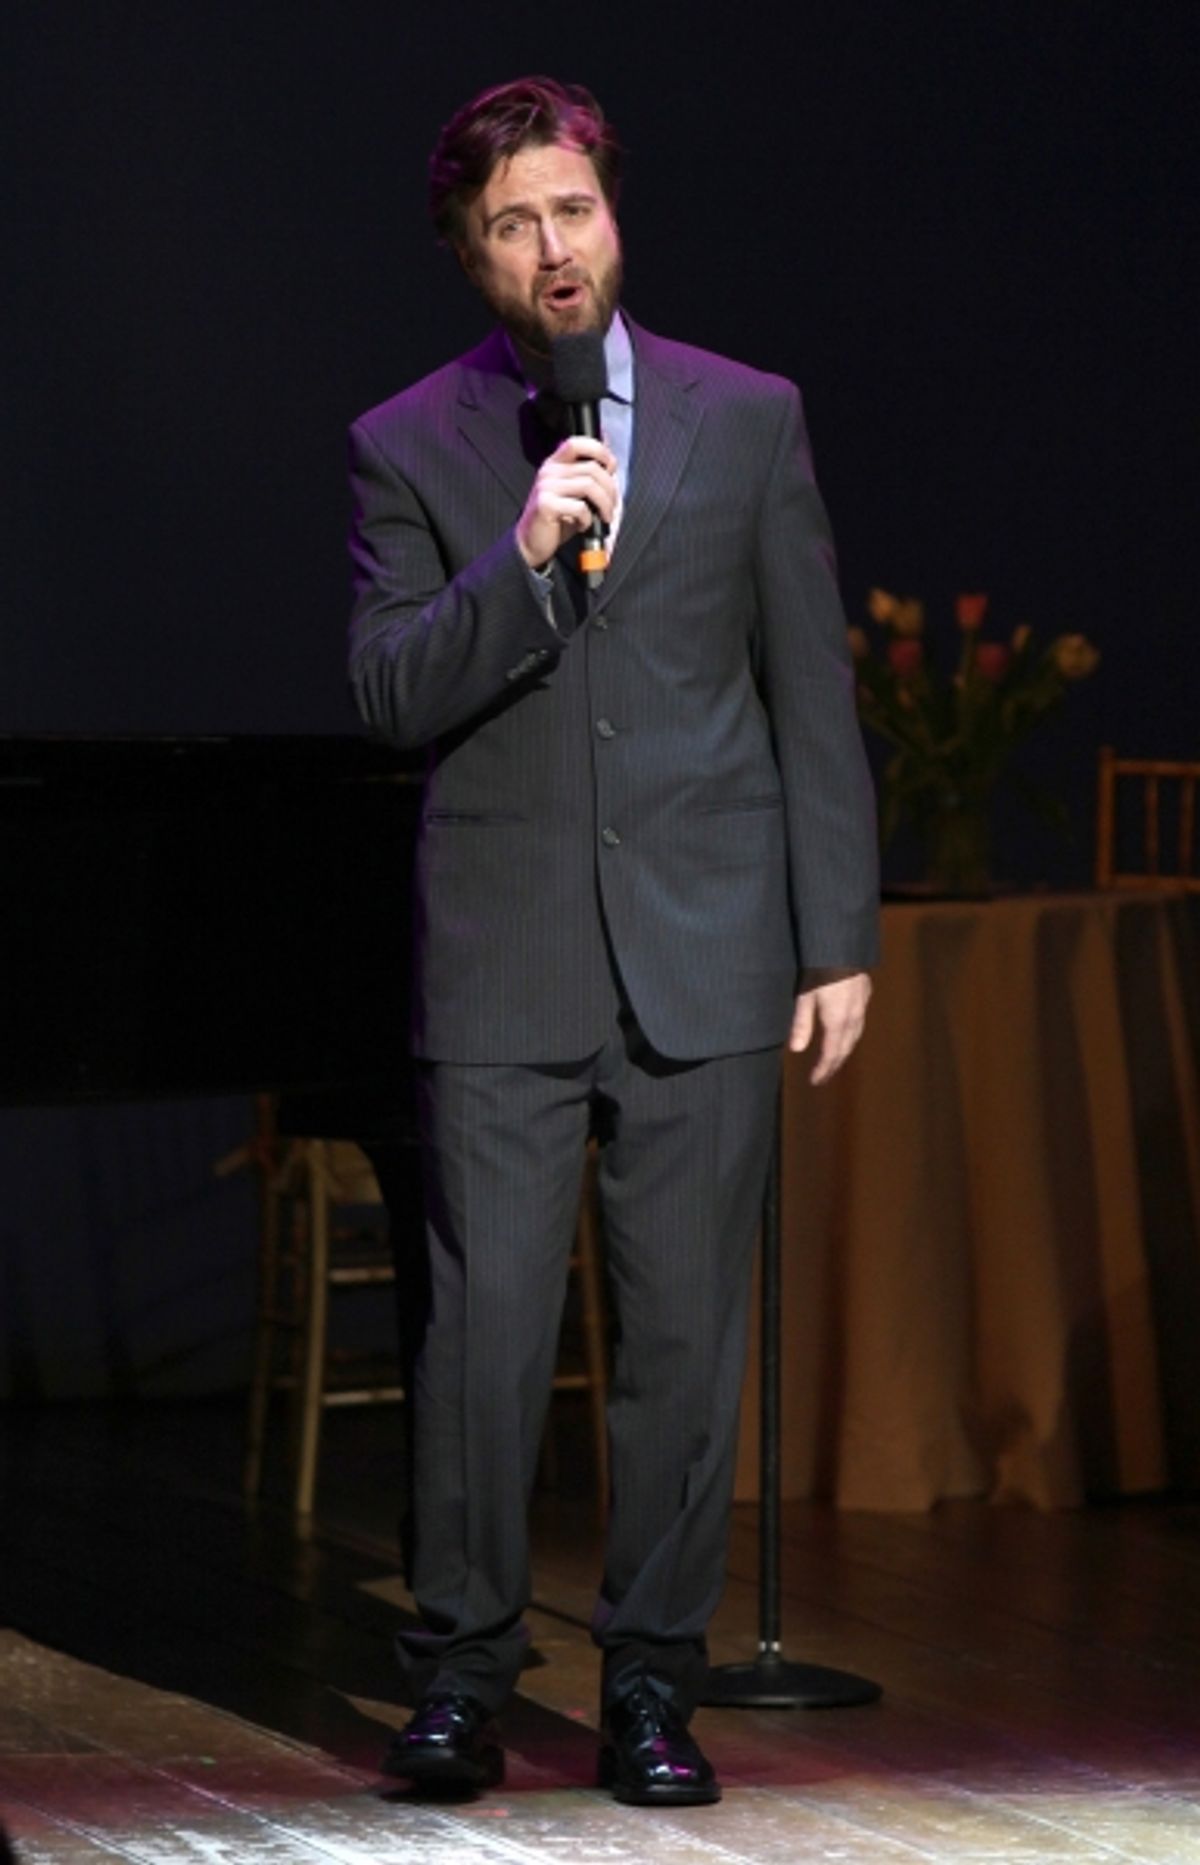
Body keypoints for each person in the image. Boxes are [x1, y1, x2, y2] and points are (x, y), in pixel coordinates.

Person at [347, 76, 878, 1808]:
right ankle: (459, 1679)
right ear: (472, 255)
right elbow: (387, 693)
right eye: (513, 223)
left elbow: (810, 686)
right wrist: (519, 560)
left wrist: (837, 934)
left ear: (613, 217)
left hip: (709, 950)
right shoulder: (409, 441)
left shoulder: (750, 417)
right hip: (503, 962)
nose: (551, 247)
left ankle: (653, 1683)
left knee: (677, 1350)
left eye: (571, 209)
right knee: (486, 1340)